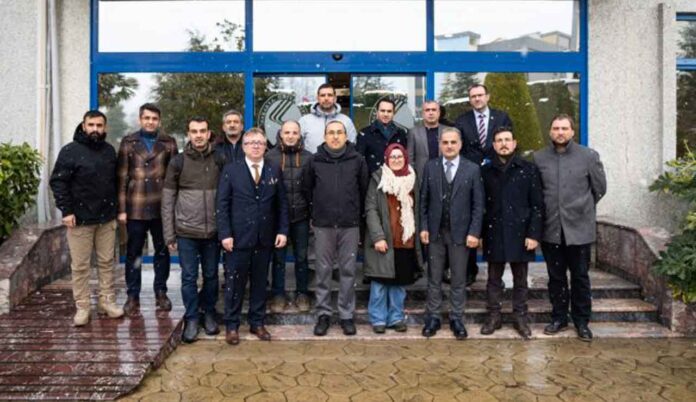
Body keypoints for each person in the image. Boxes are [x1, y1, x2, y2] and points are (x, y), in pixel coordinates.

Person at [533, 114, 606, 342]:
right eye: (556, 128)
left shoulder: (588, 156)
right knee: (556, 277)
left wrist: (581, 208)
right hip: (551, 228)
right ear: (550, 131)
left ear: (572, 132)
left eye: (564, 128)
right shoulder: (539, 158)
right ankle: (559, 318)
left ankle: (582, 321)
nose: (560, 132)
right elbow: (537, 192)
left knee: (580, 276)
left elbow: (600, 189)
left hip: (579, 228)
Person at [50, 110, 124, 326]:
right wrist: (66, 211)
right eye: (91, 125)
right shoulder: (70, 151)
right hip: (79, 220)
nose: (95, 129)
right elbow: (58, 182)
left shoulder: (109, 151)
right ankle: (82, 307)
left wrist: (116, 210)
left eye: (99, 125)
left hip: (106, 219)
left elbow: (115, 183)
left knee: (106, 263)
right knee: (81, 266)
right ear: (83, 126)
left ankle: (106, 301)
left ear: (105, 128)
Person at [217, 128, 289, 345]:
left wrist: (282, 230)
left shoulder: (274, 168)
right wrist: (225, 234)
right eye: (251, 143)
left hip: (265, 237)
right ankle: (232, 325)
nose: (256, 146)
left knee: (259, 283)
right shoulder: (232, 170)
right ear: (244, 147)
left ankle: (257, 322)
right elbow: (222, 204)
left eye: (260, 143)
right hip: (238, 238)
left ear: (266, 146)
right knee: (235, 283)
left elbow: (281, 204)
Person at [303, 120, 369, 336]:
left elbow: (363, 190)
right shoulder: (314, 161)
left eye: (339, 132)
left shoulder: (357, 160)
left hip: (350, 225)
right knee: (322, 272)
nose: (335, 136)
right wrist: (316, 213)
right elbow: (307, 189)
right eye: (331, 133)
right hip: (323, 225)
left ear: (345, 136)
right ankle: (323, 314)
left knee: (348, 271)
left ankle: (346, 315)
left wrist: (357, 218)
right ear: (324, 136)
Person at [161, 117, 223, 343]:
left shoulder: (219, 159)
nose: (198, 135)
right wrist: (169, 233)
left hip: (213, 232)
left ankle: (209, 313)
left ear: (209, 134)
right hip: (186, 231)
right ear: (188, 134)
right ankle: (192, 317)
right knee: (188, 277)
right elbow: (168, 199)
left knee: (211, 276)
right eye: (194, 131)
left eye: (202, 131)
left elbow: (227, 195)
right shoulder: (178, 162)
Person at [419, 127, 484, 340]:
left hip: (461, 234)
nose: (449, 146)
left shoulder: (472, 169)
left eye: (453, 142)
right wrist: (424, 227)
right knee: (434, 278)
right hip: (435, 232)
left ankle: (457, 318)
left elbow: (478, 205)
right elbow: (423, 200)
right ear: (439, 144)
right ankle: (433, 317)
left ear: (460, 144)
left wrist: (474, 232)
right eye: (445, 142)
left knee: (458, 278)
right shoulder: (430, 167)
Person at [480, 127, 544, 339]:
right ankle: (493, 316)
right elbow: (481, 205)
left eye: (507, 140)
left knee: (521, 280)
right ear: (494, 145)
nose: (504, 144)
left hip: (521, 233)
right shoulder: (486, 172)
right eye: (499, 140)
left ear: (514, 143)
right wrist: (480, 234)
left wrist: (533, 234)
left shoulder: (528, 169)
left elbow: (537, 205)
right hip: (494, 231)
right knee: (493, 279)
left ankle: (520, 316)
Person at [117, 103, 178, 315]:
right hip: (136, 205)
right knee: (134, 252)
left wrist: (173, 209)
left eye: (154, 118)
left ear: (159, 121)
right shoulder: (128, 142)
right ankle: (133, 295)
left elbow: (174, 178)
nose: (150, 122)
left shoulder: (169, 142)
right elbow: (122, 178)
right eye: (147, 118)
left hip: (161, 206)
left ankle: (161, 291)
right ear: (140, 119)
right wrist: (122, 209)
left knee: (162, 251)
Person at [454, 84, 513, 286]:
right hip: (470, 177)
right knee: (470, 223)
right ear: (469, 99)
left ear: (487, 96)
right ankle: (470, 271)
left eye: (480, 95)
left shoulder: (502, 117)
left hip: (496, 177)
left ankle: (495, 275)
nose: (477, 99)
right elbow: (459, 149)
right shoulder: (462, 121)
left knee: (494, 226)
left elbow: (508, 145)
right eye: (473, 96)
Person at [364, 144, 422, 334]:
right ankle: (378, 318)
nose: (396, 160)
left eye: (399, 157)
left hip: (404, 239)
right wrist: (378, 236)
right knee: (380, 283)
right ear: (386, 159)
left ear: (405, 158)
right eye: (392, 157)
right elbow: (371, 209)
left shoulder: (413, 179)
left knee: (399, 283)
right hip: (384, 239)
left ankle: (396, 317)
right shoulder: (378, 178)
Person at [265, 120, 313, 313]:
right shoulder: (270, 157)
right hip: (277, 218)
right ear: (280, 134)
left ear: (299, 135)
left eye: (294, 132)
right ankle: (278, 294)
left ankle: (302, 293)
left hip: (301, 216)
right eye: (287, 132)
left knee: (301, 257)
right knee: (278, 258)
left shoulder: (309, 158)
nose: (291, 136)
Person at [299, 83, 357, 153]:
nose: (326, 98)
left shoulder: (346, 121)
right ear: (318, 98)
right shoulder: (305, 121)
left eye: (330, 95)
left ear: (335, 98)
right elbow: (298, 146)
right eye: (323, 95)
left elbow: (351, 146)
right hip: (312, 160)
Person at [356, 98, 408, 174]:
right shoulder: (365, 133)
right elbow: (359, 161)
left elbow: (404, 158)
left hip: (396, 178)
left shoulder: (401, 133)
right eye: (382, 111)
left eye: (389, 111)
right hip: (372, 178)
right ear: (377, 112)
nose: (386, 114)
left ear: (394, 113)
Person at [407, 100, 450, 179]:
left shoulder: (449, 131)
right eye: (427, 110)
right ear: (423, 114)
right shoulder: (413, 132)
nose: (431, 113)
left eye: (434, 110)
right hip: (421, 176)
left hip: (444, 176)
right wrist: (413, 177)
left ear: (439, 113)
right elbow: (410, 158)